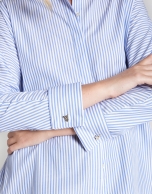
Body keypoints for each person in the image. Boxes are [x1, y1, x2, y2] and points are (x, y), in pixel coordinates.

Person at [0, 0, 152, 193]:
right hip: (42, 181)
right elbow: (3, 110)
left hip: (125, 178)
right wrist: (108, 87)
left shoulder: (126, 3)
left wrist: (54, 130)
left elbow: (148, 98)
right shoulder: (8, 7)